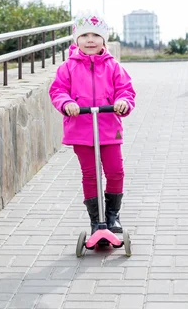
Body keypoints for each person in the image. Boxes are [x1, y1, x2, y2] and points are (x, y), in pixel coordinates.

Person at [49, 12, 136, 235]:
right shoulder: (67, 67)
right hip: (80, 128)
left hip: (108, 127)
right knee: (90, 174)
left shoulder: (113, 66)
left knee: (115, 171)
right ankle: (96, 219)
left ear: (104, 40)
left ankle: (112, 215)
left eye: (96, 35)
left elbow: (126, 90)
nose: (90, 40)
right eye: (84, 35)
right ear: (76, 40)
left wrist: (123, 102)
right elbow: (58, 91)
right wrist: (67, 103)